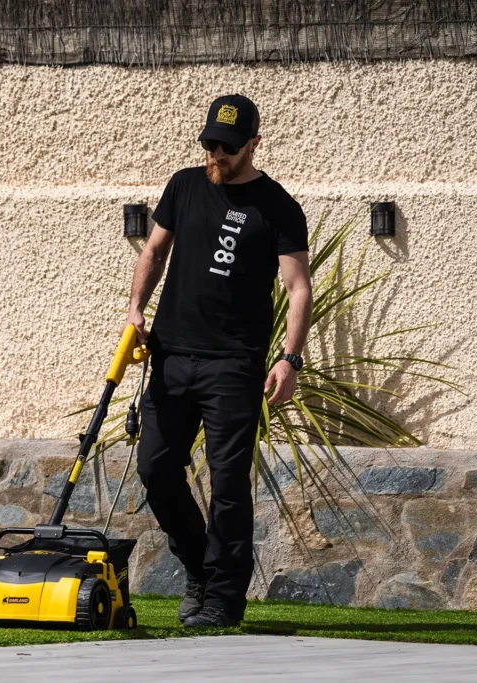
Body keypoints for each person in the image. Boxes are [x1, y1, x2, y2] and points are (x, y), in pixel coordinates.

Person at [125, 94, 313, 627]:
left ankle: (224, 599)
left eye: (228, 147)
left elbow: (298, 288)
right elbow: (155, 251)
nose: (217, 154)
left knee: (229, 484)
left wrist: (290, 360)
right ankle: (199, 567)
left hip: (234, 364)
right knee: (156, 468)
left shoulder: (277, 206)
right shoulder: (184, 186)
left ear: (254, 143)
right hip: (171, 356)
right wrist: (136, 309)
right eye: (210, 143)